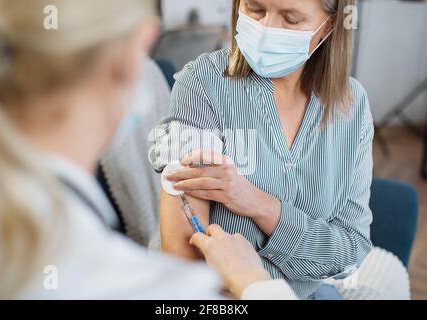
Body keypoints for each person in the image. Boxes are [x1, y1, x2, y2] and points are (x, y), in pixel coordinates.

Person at [0, 0, 299, 299]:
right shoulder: (157, 290)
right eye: (256, 10)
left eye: (291, 18)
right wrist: (253, 281)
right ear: (129, 58)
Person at [150, 0, 373, 299]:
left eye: (291, 19)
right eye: (255, 9)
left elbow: (350, 253)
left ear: (329, 26)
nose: (266, 29)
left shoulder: (353, 107)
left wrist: (257, 204)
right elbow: (183, 259)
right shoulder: (204, 84)